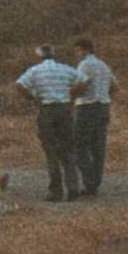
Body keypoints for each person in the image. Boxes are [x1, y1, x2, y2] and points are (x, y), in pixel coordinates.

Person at [15, 44, 80, 201]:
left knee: (51, 151)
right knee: (68, 149)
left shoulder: (35, 70)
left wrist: (33, 98)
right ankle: (73, 187)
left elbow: (19, 85)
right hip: (64, 109)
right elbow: (84, 80)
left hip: (47, 109)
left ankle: (55, 191)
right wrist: (71, 96)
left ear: (39, 56)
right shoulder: (65, 68)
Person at [70, 36, 117, 197]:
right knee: (98, 147)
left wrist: (70, 97)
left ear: (84, 49)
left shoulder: (85, 64)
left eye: (77, 50)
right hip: (104, 106)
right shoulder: (104, 65)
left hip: (87, 106)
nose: (76, 54)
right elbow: (115, 85)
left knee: (80, 145)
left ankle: (89, 182)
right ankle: (95, 182)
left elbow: (82, 84)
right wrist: (105, 96)